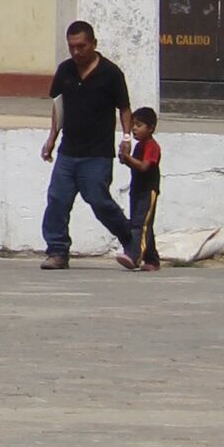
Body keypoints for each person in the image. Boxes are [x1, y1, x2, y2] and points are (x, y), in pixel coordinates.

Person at [40, 16, 136, 268]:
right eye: (72, 46)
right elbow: (58, 106)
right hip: (68, 152)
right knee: (57, 200)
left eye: (81, 46)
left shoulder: (111, 73)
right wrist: (52, 137)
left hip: (97, 154)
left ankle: (132, 240)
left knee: (99, 201)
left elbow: (124, 108)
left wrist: (127, 137)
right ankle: (57, 251)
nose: (76, 51)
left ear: (93, 43)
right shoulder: (65, 70)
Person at [119, 106, 164, 272]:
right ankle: (152, 259)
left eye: (139, 125)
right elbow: (134, 166)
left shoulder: (152, 146)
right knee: (144, 224)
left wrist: (128, 158)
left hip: (148, 190)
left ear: (150, 128)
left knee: (141, 224)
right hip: (137, 189)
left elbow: (144, 167)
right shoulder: (139, 146)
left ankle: (134, 256)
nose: (134, 129)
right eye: (133, 125)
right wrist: (125, 158)